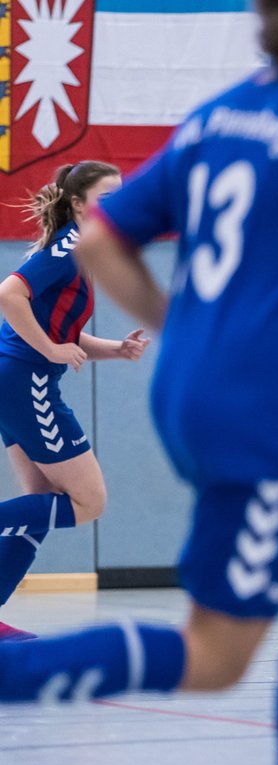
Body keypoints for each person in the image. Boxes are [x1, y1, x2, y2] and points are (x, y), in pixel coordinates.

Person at [0, 1, 278, 765]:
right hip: (261, 405)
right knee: (217, 654)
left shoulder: (221, 113)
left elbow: (107, 241)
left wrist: (185, 326)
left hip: (195, 383)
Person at [0, 161, 148, 640]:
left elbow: (62, 329)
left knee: (42, 503)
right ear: (79, 204)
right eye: (106, 197)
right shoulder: (70, 245)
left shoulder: (80, 249)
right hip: (26, 382)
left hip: (13, 378)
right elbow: (9, 294)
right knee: (88, 501)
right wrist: (49, 351)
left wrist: (115, 351)